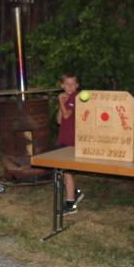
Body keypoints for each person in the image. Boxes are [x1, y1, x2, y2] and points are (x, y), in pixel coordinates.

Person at [54, 72, 85, 214]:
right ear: (62, 85)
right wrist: (62, 102)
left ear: (77, 85)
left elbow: (67, 115)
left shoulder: (76, 97)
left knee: (66, 172)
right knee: (67, 172)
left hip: (71, 141)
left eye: (73, 84)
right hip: (64, 138)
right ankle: (75, 193)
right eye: (67, 83)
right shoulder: (67, 98)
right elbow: (60, 120)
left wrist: (60, 100)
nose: (70, 86)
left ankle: (70, 204)